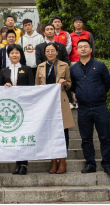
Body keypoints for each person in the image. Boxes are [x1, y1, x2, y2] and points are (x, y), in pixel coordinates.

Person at [70, 39, 110, 176]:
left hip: (99, 106)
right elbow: (72, 86)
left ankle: (107, 164)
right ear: (76, 50)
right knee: (86, 138)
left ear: (90, 49)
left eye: (85, 46)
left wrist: (98, 94)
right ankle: (90, 163)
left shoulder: (100, 66)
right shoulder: (73, 69)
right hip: (83, 108)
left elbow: (108, 83)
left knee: (104, 136)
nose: (83, 49)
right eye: (80, 47)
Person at [35, 43, 75, 174]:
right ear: (45, 53)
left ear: (57, 52)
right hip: (46, 104)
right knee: (49, 132)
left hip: (60, 101)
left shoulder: (64, 65)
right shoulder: (40, 67)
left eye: (52, 50)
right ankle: (53, 161)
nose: (50, 53)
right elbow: (37, 87)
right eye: (47, 51)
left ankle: (63, 161)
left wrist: (64, 84)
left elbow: (70, 83)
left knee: (63, 132)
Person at [0, 44, 34, 175]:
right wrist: (5, 85)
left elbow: (31, 87)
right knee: (14, 135)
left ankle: (24, 163)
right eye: (12, 53)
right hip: (10, 108)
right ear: (8, 55)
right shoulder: (4, 71)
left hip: (24, 106)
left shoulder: (27, 69)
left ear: (21, 55)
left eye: (17, 53)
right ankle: (17, 163)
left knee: (24, 135)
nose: (14, 55)